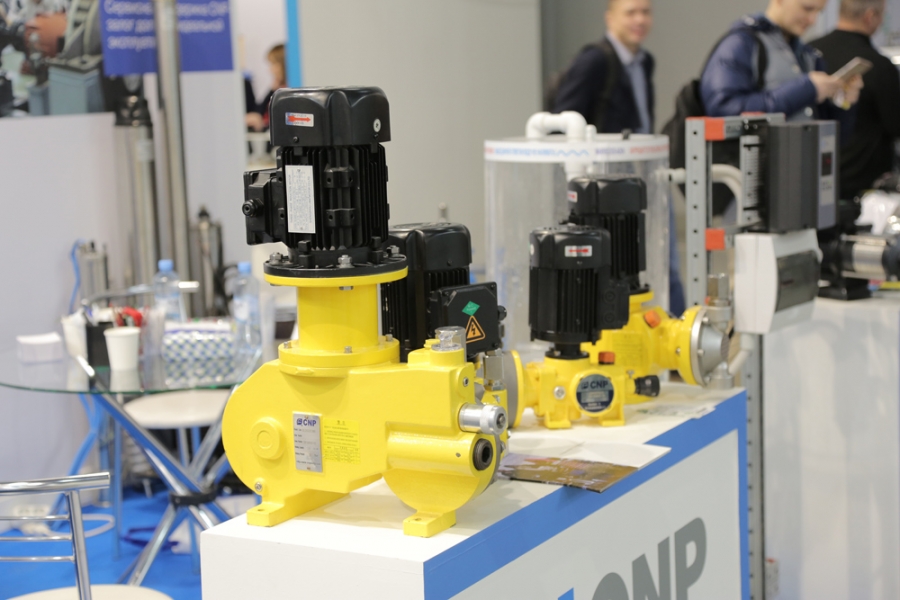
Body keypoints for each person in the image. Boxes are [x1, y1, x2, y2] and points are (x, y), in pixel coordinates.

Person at [701, 0, 862, 126]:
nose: (812, 20)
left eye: (819, 12)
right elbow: (723, 111)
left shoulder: (807, 56)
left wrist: (842, 103)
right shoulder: (741, 45)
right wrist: (807, 89)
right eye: (807, 8)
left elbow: (831, 138)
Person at [810, 0, 900, 199]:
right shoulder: (878, 65)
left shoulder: (809, 54)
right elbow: (895, 125)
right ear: (870, 16)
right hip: (863, 190)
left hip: (812, 179)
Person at [553, 0, 654, 134]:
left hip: (639, 146)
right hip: (602, 146)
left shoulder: (645, 61)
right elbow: (563, 122)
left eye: (645, 12)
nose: (640, 20)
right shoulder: (594, 60)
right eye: (630, 13)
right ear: (610, 18)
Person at [246, 43, 287, 132]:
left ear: (284, 65)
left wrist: (262, 125)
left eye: (274, 64)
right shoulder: (277, 89)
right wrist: (271, 90)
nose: (270, 69)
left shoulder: (288, 93)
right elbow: (259, 112)